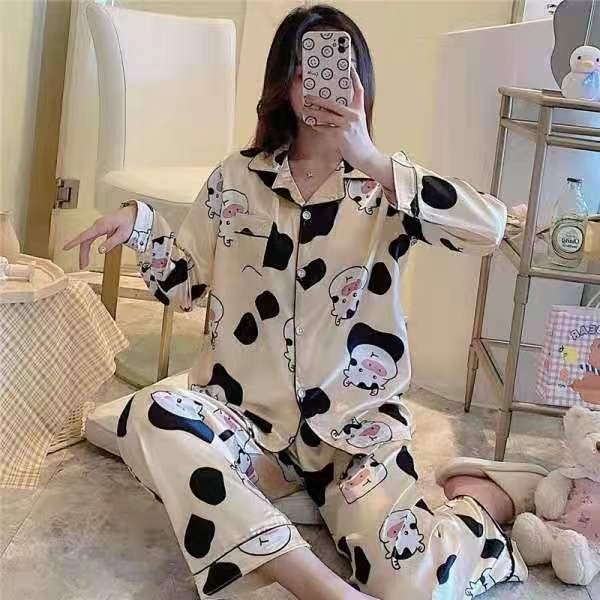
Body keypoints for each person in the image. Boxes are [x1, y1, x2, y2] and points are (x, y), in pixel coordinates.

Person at [66, 5, 547, 600]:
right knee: (150, 413)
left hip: (355, 433)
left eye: (339, 67)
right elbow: (182, 287)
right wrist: (140, 224)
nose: (320, 82)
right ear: (283, 82)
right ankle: (319, 586)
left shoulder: (388, 187)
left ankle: (480, 498)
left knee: (415, 583)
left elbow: (488, 230)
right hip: (247, 423)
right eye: (304, 67)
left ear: (361, 81)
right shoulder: (236, 179)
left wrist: (370, 158)